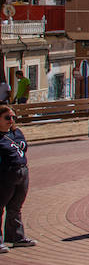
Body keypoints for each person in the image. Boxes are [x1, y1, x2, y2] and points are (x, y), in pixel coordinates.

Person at [0, 104, 33, 251]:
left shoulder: (16, 133)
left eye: (13, 117)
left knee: (15, 207)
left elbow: (23, 147)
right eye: (7, 117)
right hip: (5, 175)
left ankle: (17, 238)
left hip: (22, 172)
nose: (11, 120)